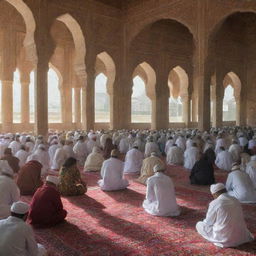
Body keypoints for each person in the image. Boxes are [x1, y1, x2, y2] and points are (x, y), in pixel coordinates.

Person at [196, 183, 254, 248]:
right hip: (241, 237)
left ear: (215, 194)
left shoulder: (215, 203)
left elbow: (209, 222)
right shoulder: (235, 200)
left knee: (199, 225)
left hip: (224, 238)